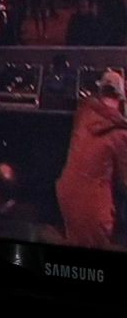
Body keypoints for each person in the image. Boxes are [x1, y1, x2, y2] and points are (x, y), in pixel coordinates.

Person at [55, 68, 127, 248]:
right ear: (122, 98)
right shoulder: (119, 134)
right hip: (94, 207)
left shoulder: (83, 114)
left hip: (67, 195)